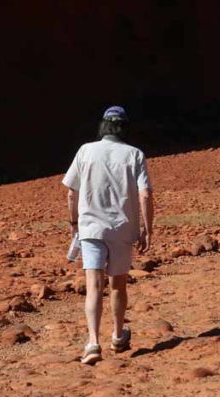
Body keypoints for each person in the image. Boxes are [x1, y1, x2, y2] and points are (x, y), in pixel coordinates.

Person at [62, 105, 154, 365]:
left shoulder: (85, 151)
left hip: (90, 228)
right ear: (124, 127)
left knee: (93, 286)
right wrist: (147, 229)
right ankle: (117, 335)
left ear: (103, 126)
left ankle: (93, 342)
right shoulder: (134, 154)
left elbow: (71, 192)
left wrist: (73, 223)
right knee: (118, 285)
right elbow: (145, 194)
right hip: (122, 229)